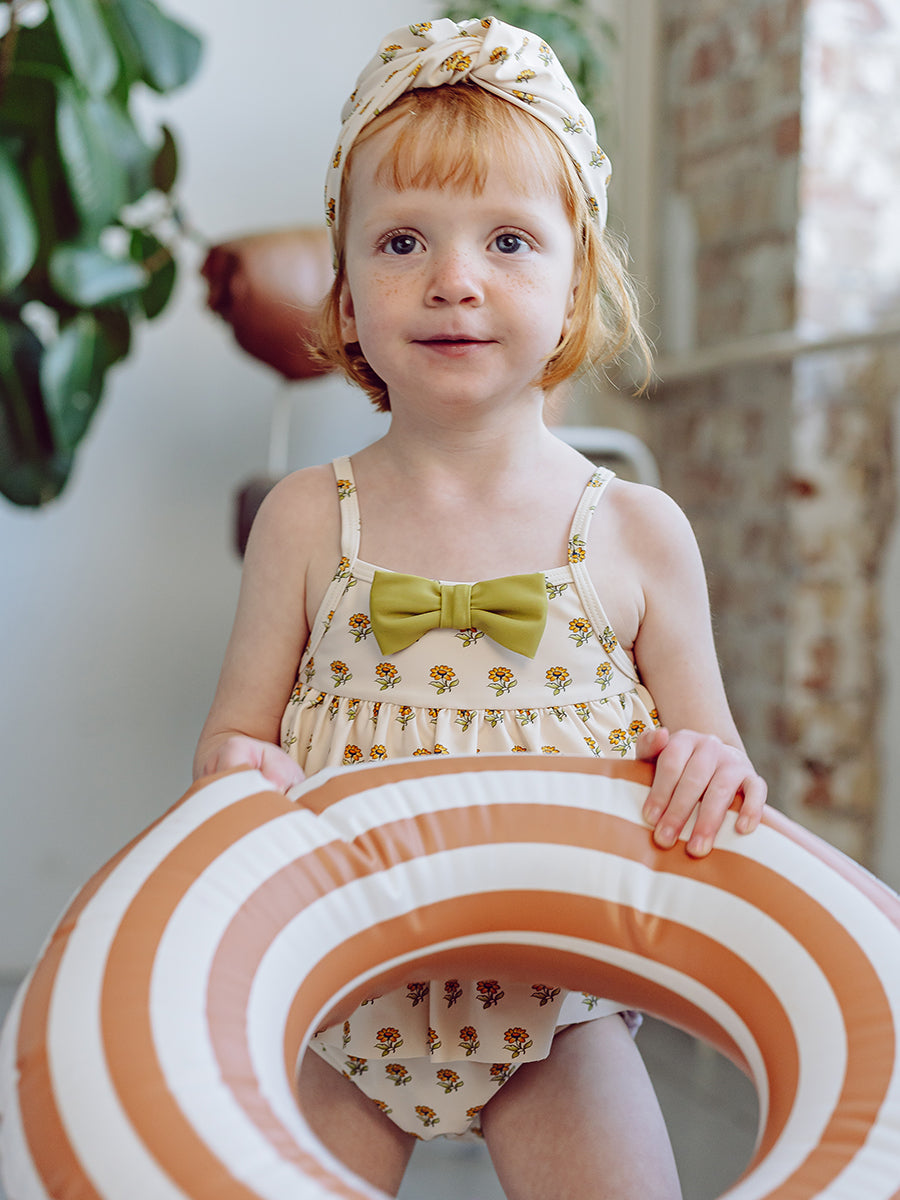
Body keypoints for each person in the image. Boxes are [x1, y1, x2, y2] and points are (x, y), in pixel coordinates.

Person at [194, 17, 766, 1199]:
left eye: (509, 240)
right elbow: (232, 746)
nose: (454, 279)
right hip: (346, 987)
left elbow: (715, 767)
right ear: (347, 296)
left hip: (559, 1003)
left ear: (575, 285)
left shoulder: (639, 533)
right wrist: (236, 778)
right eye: (403, 241)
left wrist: (709, 767)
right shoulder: (306, 521)